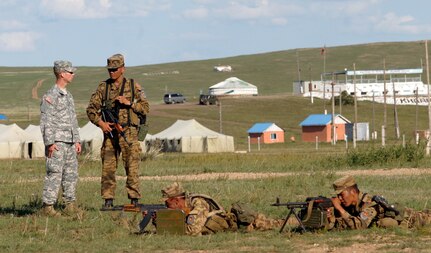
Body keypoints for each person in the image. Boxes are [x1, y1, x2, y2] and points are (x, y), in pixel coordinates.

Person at [86, 53, 149, 208]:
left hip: (129, 134)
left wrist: (130, 104)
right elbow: (90, 109)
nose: (111, 72)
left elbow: (145, 108)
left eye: (115, 69)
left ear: (123, 69)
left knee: (132, 166)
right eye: (110, 69)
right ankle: (108, 201)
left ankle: (134, 200)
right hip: (110, 134)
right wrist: (101, 124)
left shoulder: (134, 86)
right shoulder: (103, 87)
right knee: (108, 167)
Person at [40, 60, 82, 217]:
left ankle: (69, 204)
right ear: (62, 73)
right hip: (57, 142)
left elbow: (73, 119)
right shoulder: (50, 96)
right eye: (70, 72)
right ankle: (48, 207)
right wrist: (50, 142)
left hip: (70, 142)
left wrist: (77, 140)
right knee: (55, 173)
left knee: (71, 173)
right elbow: (46, 121)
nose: (73, 75)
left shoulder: (68, 95)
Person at [161, 182, 283, 236]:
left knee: (274, 224)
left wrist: (167, 223)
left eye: (167, 204)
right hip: (231, 226)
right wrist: (159, 221)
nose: (167, 207)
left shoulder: (199, 204)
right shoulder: (185, 206)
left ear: (176, 200)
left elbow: (193, 230)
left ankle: (297, 220)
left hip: (244, 224)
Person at [327, 175, 431, 230]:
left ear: (353, 192)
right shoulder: (353, 206)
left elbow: (358, 226)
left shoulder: (370, 204)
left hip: (414, 219)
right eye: (337, 196)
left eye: (342, 195)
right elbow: (345, 223)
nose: (339, 198)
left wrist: (339, 209)